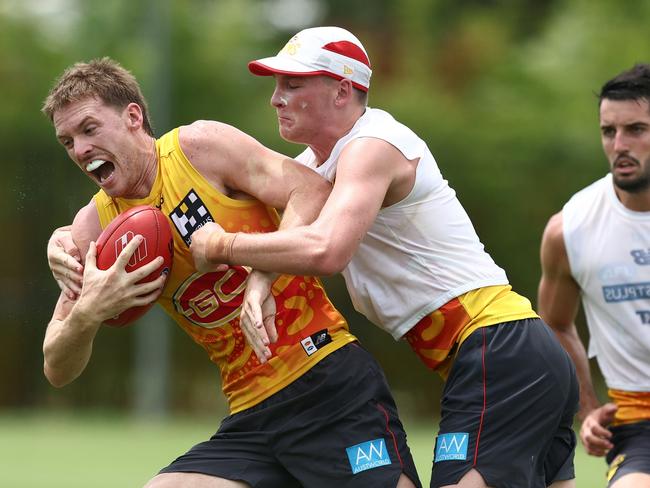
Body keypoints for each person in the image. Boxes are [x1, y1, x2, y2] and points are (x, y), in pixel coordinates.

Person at [188, 26, 579, 488]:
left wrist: (220, 246)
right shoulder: (316, 171)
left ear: (342, 90)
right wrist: (259, 279)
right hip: (507, 354)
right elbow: (290, 240)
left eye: (293, 85)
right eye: (276, 85)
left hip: (497, 349)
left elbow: (326, 250)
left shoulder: (372, 145)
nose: (276, 98)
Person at [42, 57, 421, 488]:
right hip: (249, 410)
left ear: (133, 117)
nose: (80, 149)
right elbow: (56, 365)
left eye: (89, 129)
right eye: (67, 141)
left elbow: (311, 189)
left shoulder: (198, 149)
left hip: (324, 377)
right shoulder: (94, 228)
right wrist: (89, 312)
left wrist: (262, 273)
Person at [538, 64, 650, 488]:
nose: (619, 145)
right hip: (640, 422)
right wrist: (586, 410)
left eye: (636, 129)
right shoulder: (571, 230)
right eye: (609, 131)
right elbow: (556, 323)